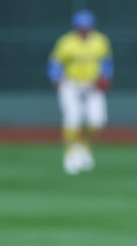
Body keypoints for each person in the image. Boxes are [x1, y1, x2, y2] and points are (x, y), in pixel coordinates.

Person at [47, 9, 113, 175]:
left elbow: (107, 63)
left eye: (87, 27)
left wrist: (106, 77)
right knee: (72, 119)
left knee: (97, 120)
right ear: (76, 27)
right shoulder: (66, 42)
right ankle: (70, 154)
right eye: (81, 27)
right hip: (71, 84)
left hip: (92, 85)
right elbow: (55, 63)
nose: (84, 30)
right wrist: (56, 78)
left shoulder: (100, 41)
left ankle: (84, 148)